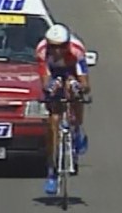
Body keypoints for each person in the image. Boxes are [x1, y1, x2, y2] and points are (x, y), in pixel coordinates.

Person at [38, 24, 91, 195]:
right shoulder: (42, 51)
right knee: (53, 119)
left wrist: (79, 87)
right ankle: (52, 172)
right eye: (54, 47)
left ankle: (77, 129)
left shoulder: (76, 50)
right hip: (54, 72)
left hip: (72, 69)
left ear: (67, 43)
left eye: (61, 46)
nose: (58, 51)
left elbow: (85, 83)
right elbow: (44, 79)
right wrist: (50, 87)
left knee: (76, 93)